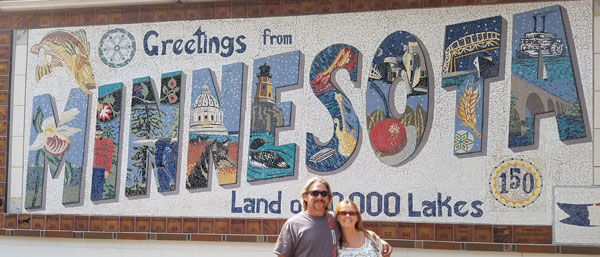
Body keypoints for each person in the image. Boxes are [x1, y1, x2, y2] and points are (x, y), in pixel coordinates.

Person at [274, 177, 392, 257]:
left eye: (324, 194)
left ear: (328, 198)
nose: (320, 197)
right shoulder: (293, 224)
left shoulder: (334, 219)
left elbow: (354, 229)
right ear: (305, 196)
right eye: (315, 193)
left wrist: (378, 240)